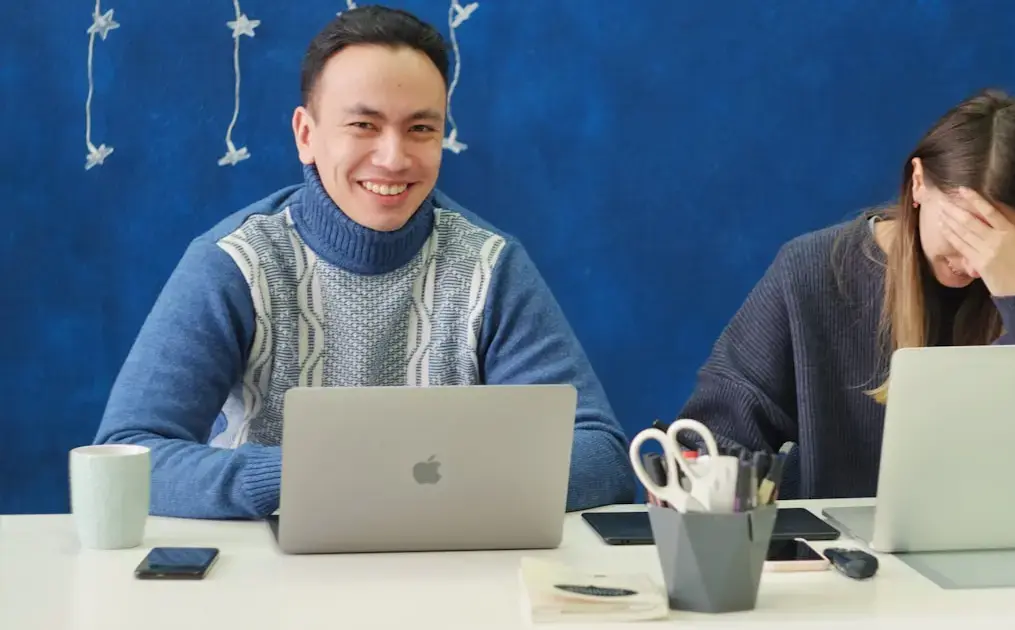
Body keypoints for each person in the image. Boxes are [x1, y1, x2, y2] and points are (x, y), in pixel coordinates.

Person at [93, 6, 635, 519]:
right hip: (270, 579)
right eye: (364, 126)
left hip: (449, 573)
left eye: (421, 129)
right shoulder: (235, 262)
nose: (394, 158)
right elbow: (129, 455)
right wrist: (306, 477)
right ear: (307, 135)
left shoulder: (490, 266)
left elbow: (601, 454)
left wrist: (423, 480)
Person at [676, 88, 1015, 500]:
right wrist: (791, 511)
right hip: (844, 566)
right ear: (918, 183)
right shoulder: (811, 271)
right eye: (968, 232)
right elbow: (703, 446)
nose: (979, 267)